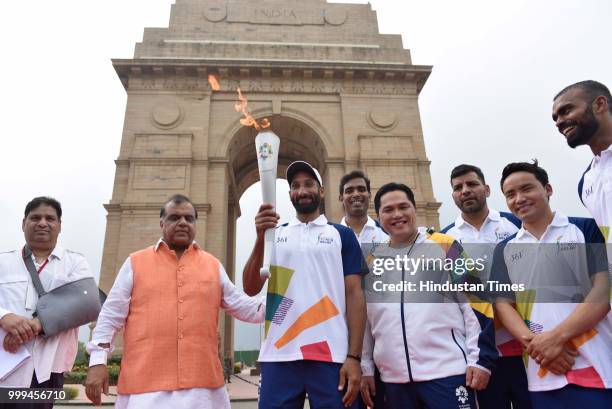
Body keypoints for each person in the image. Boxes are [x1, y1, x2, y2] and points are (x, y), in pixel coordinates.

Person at [85, 194, 265, 409]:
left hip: (203, 389)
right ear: (162, 223)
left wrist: (292, 295)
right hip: (146, 388)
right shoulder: (135, 262)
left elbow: (247, 309)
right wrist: (97, 362)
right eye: (174, 218)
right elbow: (110, 316)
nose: (182, 223)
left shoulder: (213, 265)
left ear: (195, 224)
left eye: (189, 218)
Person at [361, 182, 497, 409]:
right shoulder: (372, 260)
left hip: (448, 374)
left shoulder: (448, 246)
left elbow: (477, 303)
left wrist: (480, 360)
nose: (397, 214)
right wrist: (366, 367)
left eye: (403, 207)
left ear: (415, 209)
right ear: (379, 216)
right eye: (388, 210)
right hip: (393, 381)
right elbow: (366, 320)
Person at [243, 161, 366, 409]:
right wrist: (260, 238)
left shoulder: (342, 234)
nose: (302, 190)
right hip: (280, 353)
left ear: (321, 191)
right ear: (290, 195)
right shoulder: (275, 234)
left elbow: (354, 295)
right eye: (296, 186)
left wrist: (354, 357)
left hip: (332, 353)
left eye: (309, 184)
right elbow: (250, 287)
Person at [492, 161, 612, 408]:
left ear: (548, 189)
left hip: (597, 366)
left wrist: (555, 339)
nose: (519, 198)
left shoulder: (585, 228)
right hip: (543, 373)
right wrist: (539, 348)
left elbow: (603, 291)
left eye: (527, 189)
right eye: (510, 194)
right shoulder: (504, 249)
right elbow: (503, 305)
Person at [440, 164, 530, 409]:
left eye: (472, 184)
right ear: (453, 196)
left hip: (527, 345)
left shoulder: (517, 225)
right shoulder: (447, 240)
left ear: (487, 189)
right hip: (481, 353)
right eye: (458, 188)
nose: (465, 191)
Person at [0, 197, 95, 409]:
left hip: (47, 370)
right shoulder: (3, 261)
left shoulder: (75, 263)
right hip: (4, 366)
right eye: (35, 217)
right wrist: (4, 317)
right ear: (23, 223)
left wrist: (35, 325)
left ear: (59, 226)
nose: (42, 222)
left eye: (50, 218)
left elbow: (87, 303)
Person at [338, 170, 388, 408]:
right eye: (349, 191)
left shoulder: (388, 236)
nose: (356, 194)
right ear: (340, 198)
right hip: (342, 350)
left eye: (361, 189)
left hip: (386, 348)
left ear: (370, 194)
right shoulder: (329, 239)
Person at [552, 80, 612, 245]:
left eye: (566, 110)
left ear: (599, 104)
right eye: (555, 118)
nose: (558, 122)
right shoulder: (585, 183)